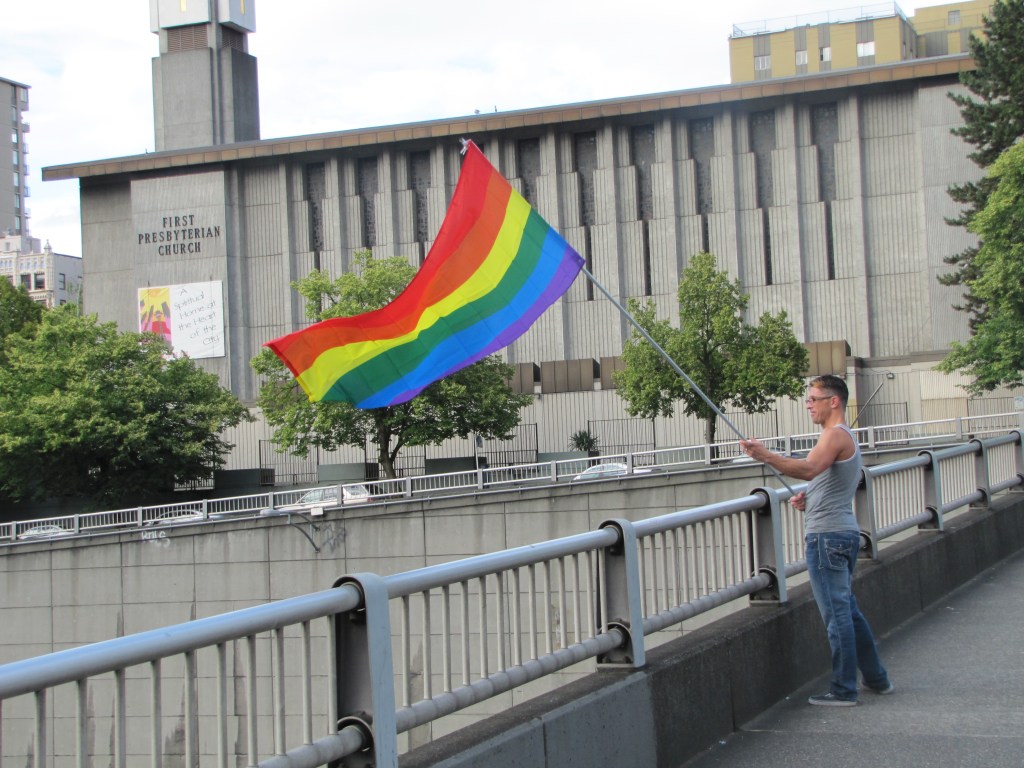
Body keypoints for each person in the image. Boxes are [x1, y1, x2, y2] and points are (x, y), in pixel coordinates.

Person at [740, 374, 892, 706]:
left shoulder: (834, 436)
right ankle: (877, 679)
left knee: (837, 616)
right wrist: (811, 497)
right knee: (849, 612)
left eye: (813, 399)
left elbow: (808, 469)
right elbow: (826, 480)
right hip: (842, 532)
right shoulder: (840, 437)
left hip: (827, 538)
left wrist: (765, 455)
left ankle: (844, 690)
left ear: (833, 401)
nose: (808, 405)